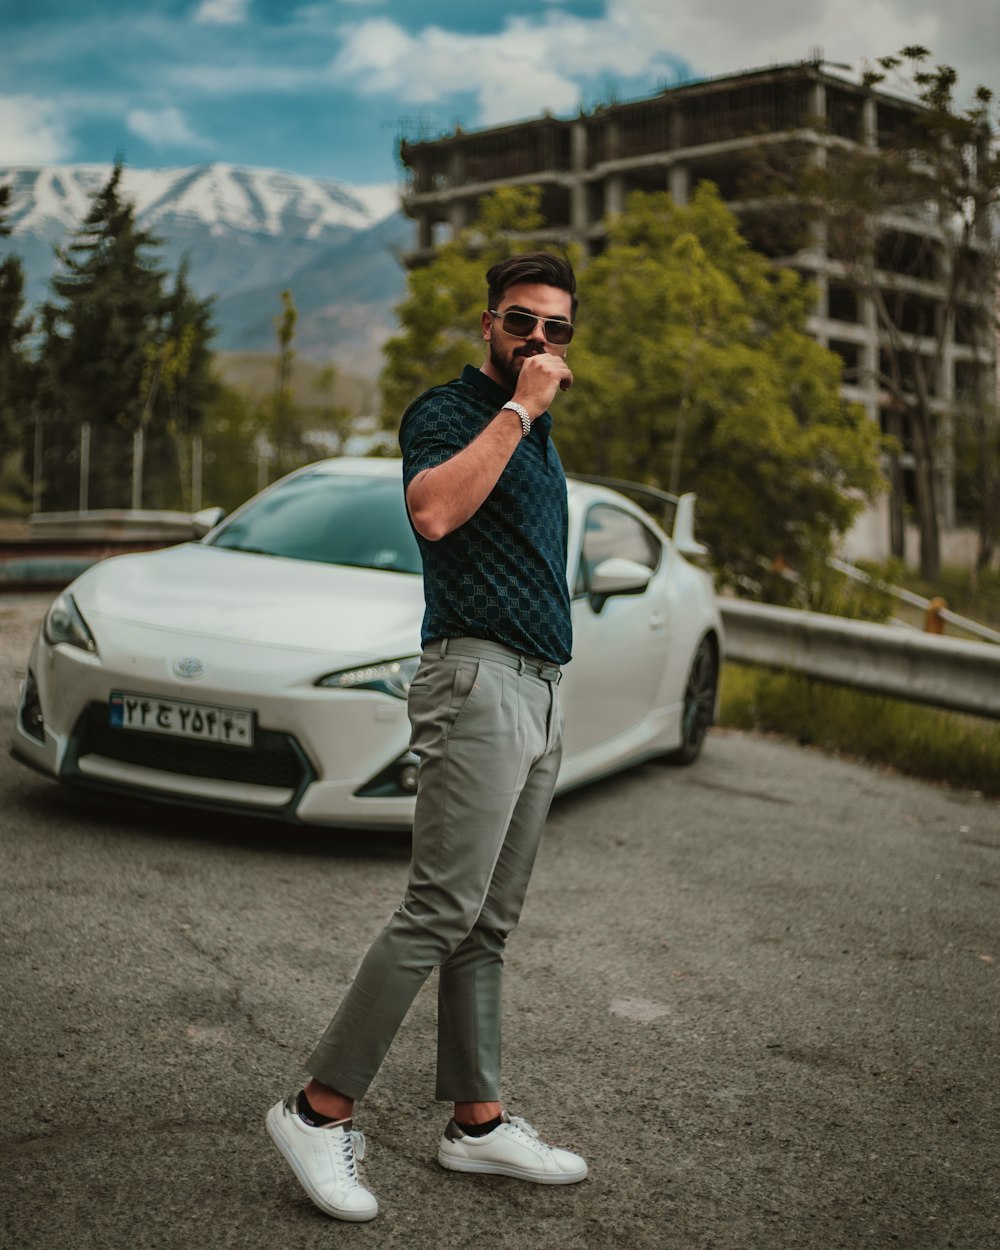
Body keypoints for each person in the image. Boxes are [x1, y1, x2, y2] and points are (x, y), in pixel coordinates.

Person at [266, 252, 586, 1221]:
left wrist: (529, 423)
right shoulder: (452, 415)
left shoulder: (536, 442)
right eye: (522, 322)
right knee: (437, 906)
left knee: (486, 921)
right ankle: (316, 1110)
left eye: (557, 329)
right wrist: (519, 408)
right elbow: (434, 511)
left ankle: (476, 1122)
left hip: (538, 691)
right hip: (475, 676)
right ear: (487, 324)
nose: (539, 342)